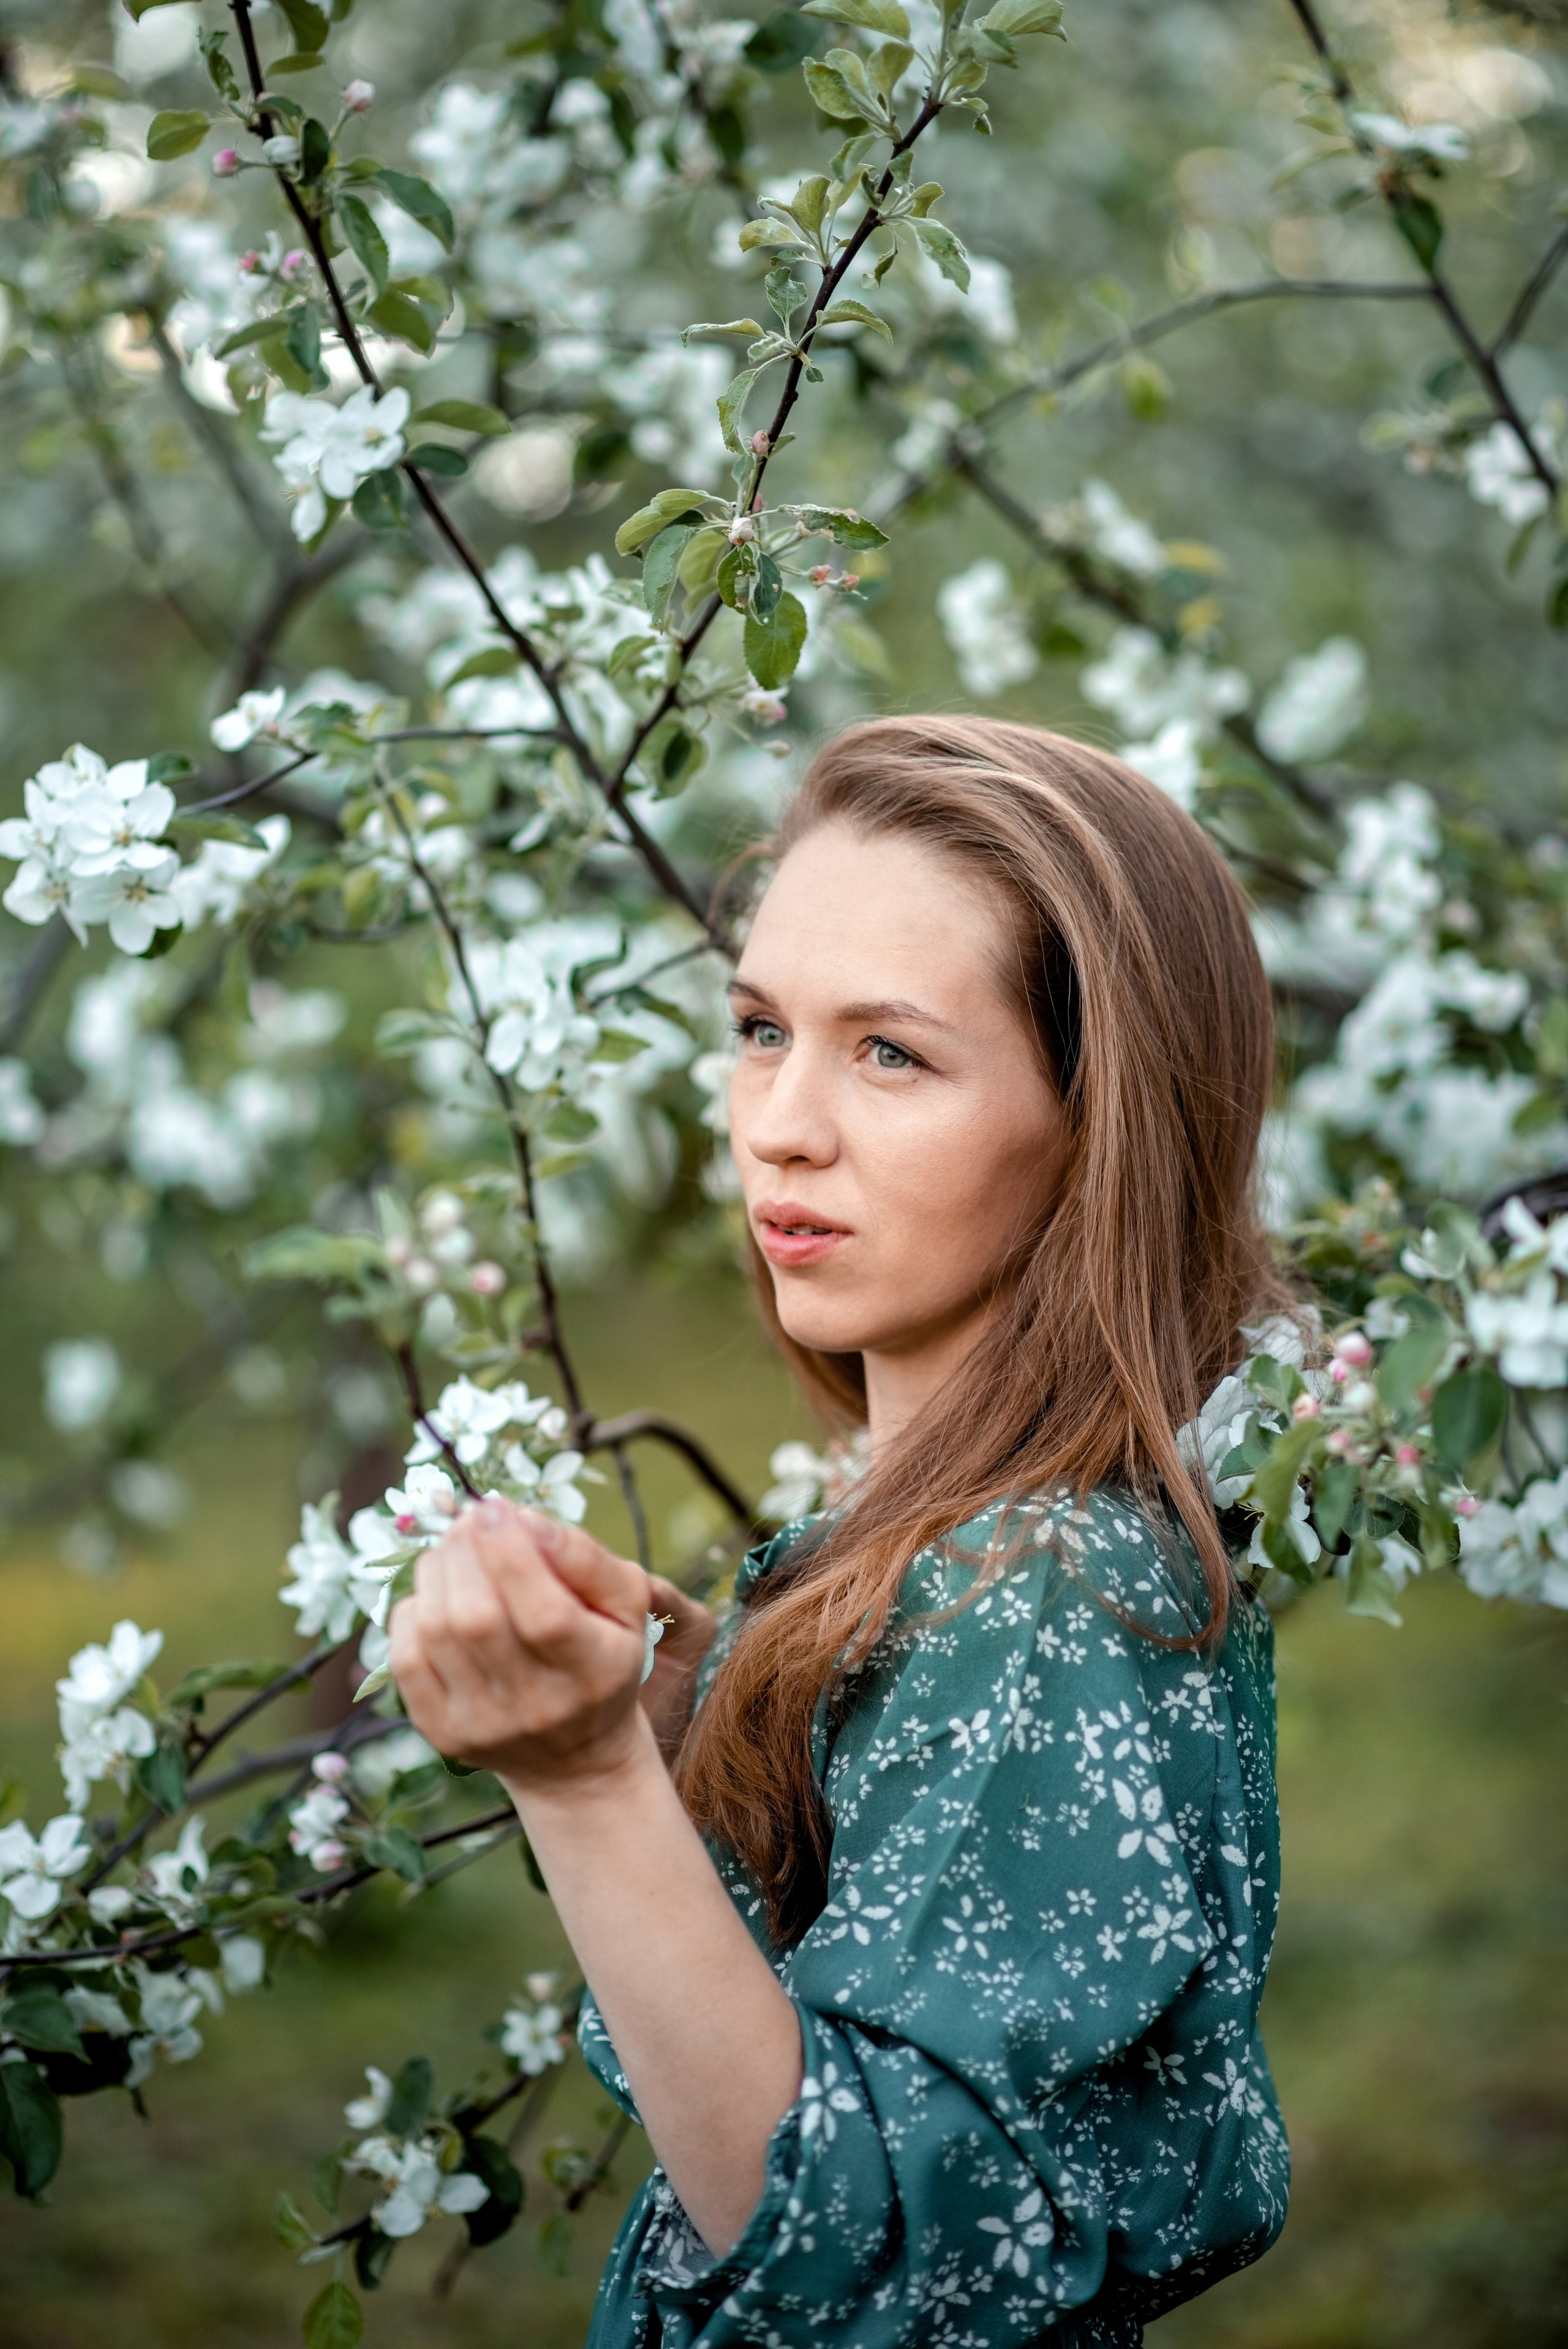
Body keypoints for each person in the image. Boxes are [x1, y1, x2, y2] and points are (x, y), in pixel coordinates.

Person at [388, 715, 1293, 2347]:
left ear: (1099, 1123)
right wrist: (693, 1743)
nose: (777, 1124)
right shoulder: (944, 1554)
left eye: (890, 1052)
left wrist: (583, 1785)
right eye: (757, 1027)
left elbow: (859, 2265)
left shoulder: (1053, 1594)